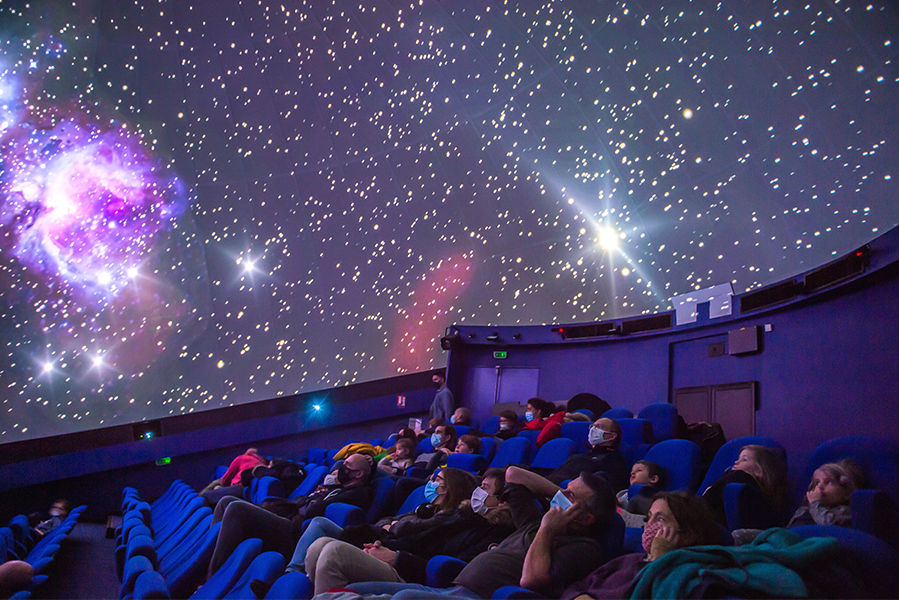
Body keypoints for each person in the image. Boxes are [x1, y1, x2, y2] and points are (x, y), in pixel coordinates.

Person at [363, 465, 618, 600]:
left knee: (405, 598)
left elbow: (532, 581)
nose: (561, 496)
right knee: (356, 589)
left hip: (478, 597)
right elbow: (513, 474)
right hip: (452, 589)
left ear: (586, 518)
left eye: (570, 495)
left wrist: (547, 530)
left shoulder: (586, 547)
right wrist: (559, 495)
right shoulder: (534, 522)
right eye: (564, 491)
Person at [290, 469, 519, 596]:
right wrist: (386, 545)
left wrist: (396, 556)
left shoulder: (491, 531)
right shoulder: (458, 516)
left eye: (485, 489)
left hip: (414, 573)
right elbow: (411, 537)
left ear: (504, 503)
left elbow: (453, 566)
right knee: (318, 547)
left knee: (333, 552)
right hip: (395, 555)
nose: (477, 493)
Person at [206, 453, 373, 576]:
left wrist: (318, 497)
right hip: (290, 515)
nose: (340, 469)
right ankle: (207, 559)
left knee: (236, 509)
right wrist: (321, 493)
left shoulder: (358, 493)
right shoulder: (337, 489)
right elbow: (308, 503)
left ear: (358, 474)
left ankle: (214, 575)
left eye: (347, 466)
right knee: (225, 502)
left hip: (296, 530)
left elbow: (315, 511)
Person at [560, 492, 721, 600]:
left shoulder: (687, 574)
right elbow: (579, 585)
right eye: (648, 518)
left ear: (688, 534)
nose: (647, 525)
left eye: (659, 520)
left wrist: (658, 559)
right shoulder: (629, 560)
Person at [702, 445, 787, 528]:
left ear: (759, 470)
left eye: (744, 459)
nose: (736, 462)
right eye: (738, 459)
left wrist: (710, 491)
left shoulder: (740, 478)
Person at [544, 418, 629, 492]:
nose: (593, 429)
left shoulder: (613, 460)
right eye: (592, 426)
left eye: (598, 427)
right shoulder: (580, 456)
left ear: (612, 436)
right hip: (548, 484)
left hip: (563, 493)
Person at [787, 459, 864, 528]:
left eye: (829, 482)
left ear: (847, 493)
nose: (819, 486)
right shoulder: (806, 509)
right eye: (817, 483)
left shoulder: (845, 512)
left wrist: (815, 503)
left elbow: (829, 526)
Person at [200, 448, 268, 505]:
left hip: (240, 488)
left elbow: (225, 480)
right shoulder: (263, 463)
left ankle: (198, 499)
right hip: (248, 493)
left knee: (206, 497)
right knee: (216, 487)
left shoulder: (241, 458)